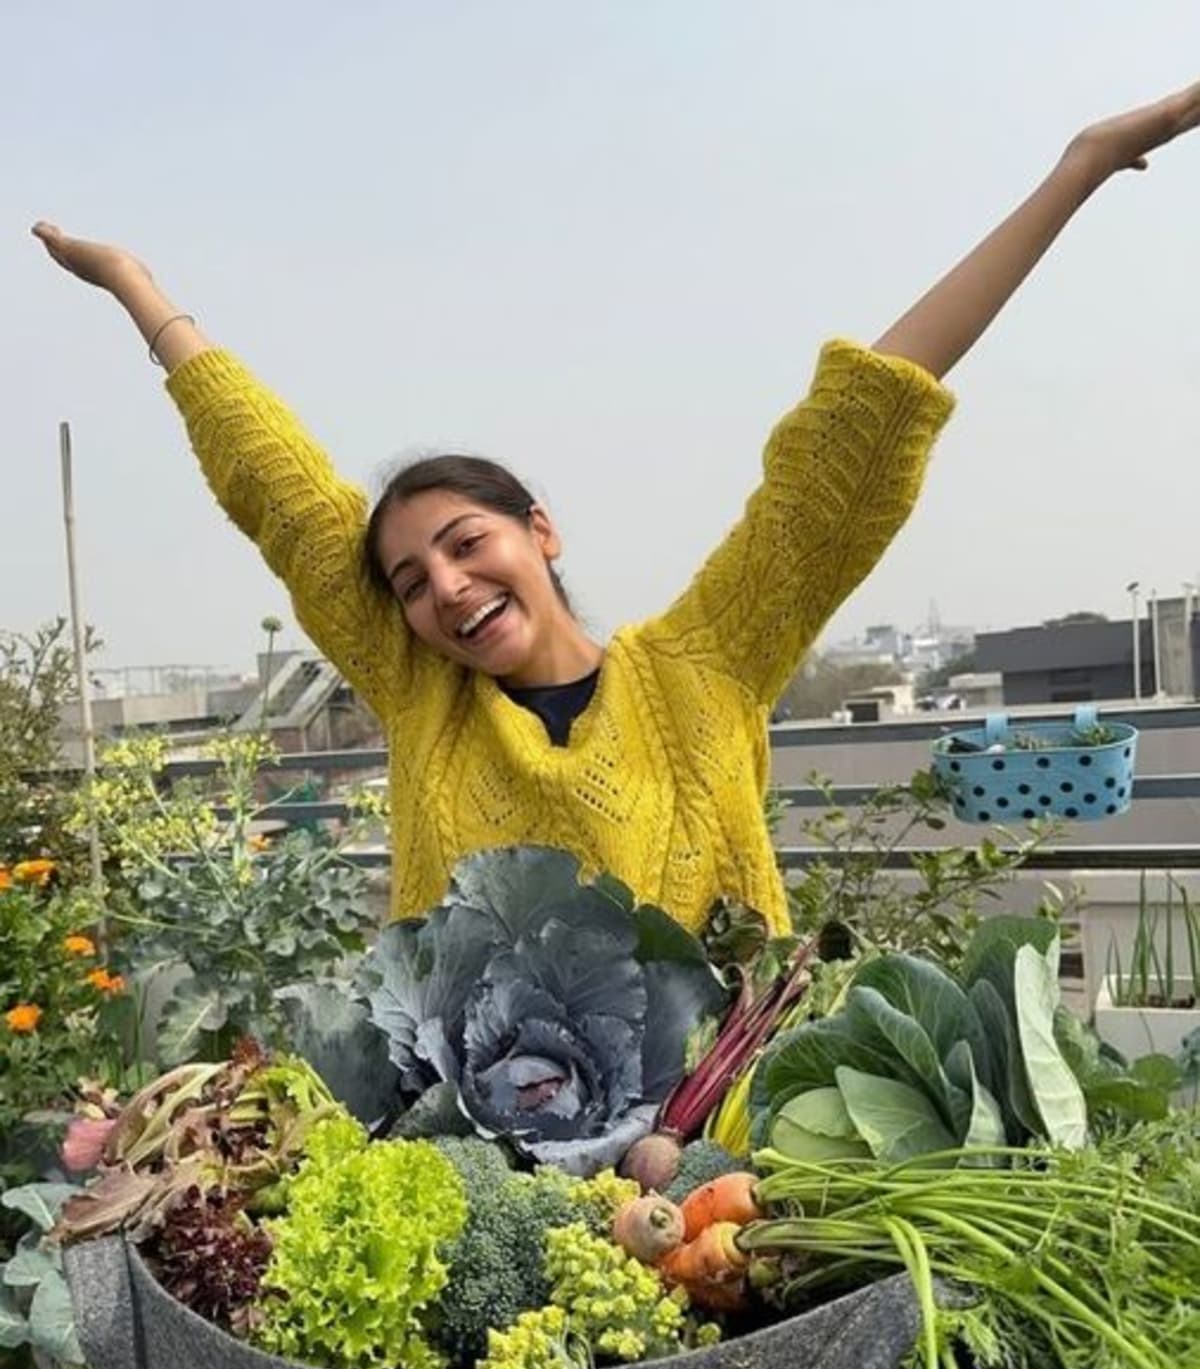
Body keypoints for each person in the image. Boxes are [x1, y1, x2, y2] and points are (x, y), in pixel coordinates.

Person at [33, 80, 1200, 933]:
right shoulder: (420, 694)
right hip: (478, 1177)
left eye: (466, 542)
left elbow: (848, 444)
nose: (445, 588)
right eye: (408, 580)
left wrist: (1078, 171)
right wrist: (144, 293)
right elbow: (277, 487)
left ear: (540, 531)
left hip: (711, 1194)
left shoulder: (705, 665)